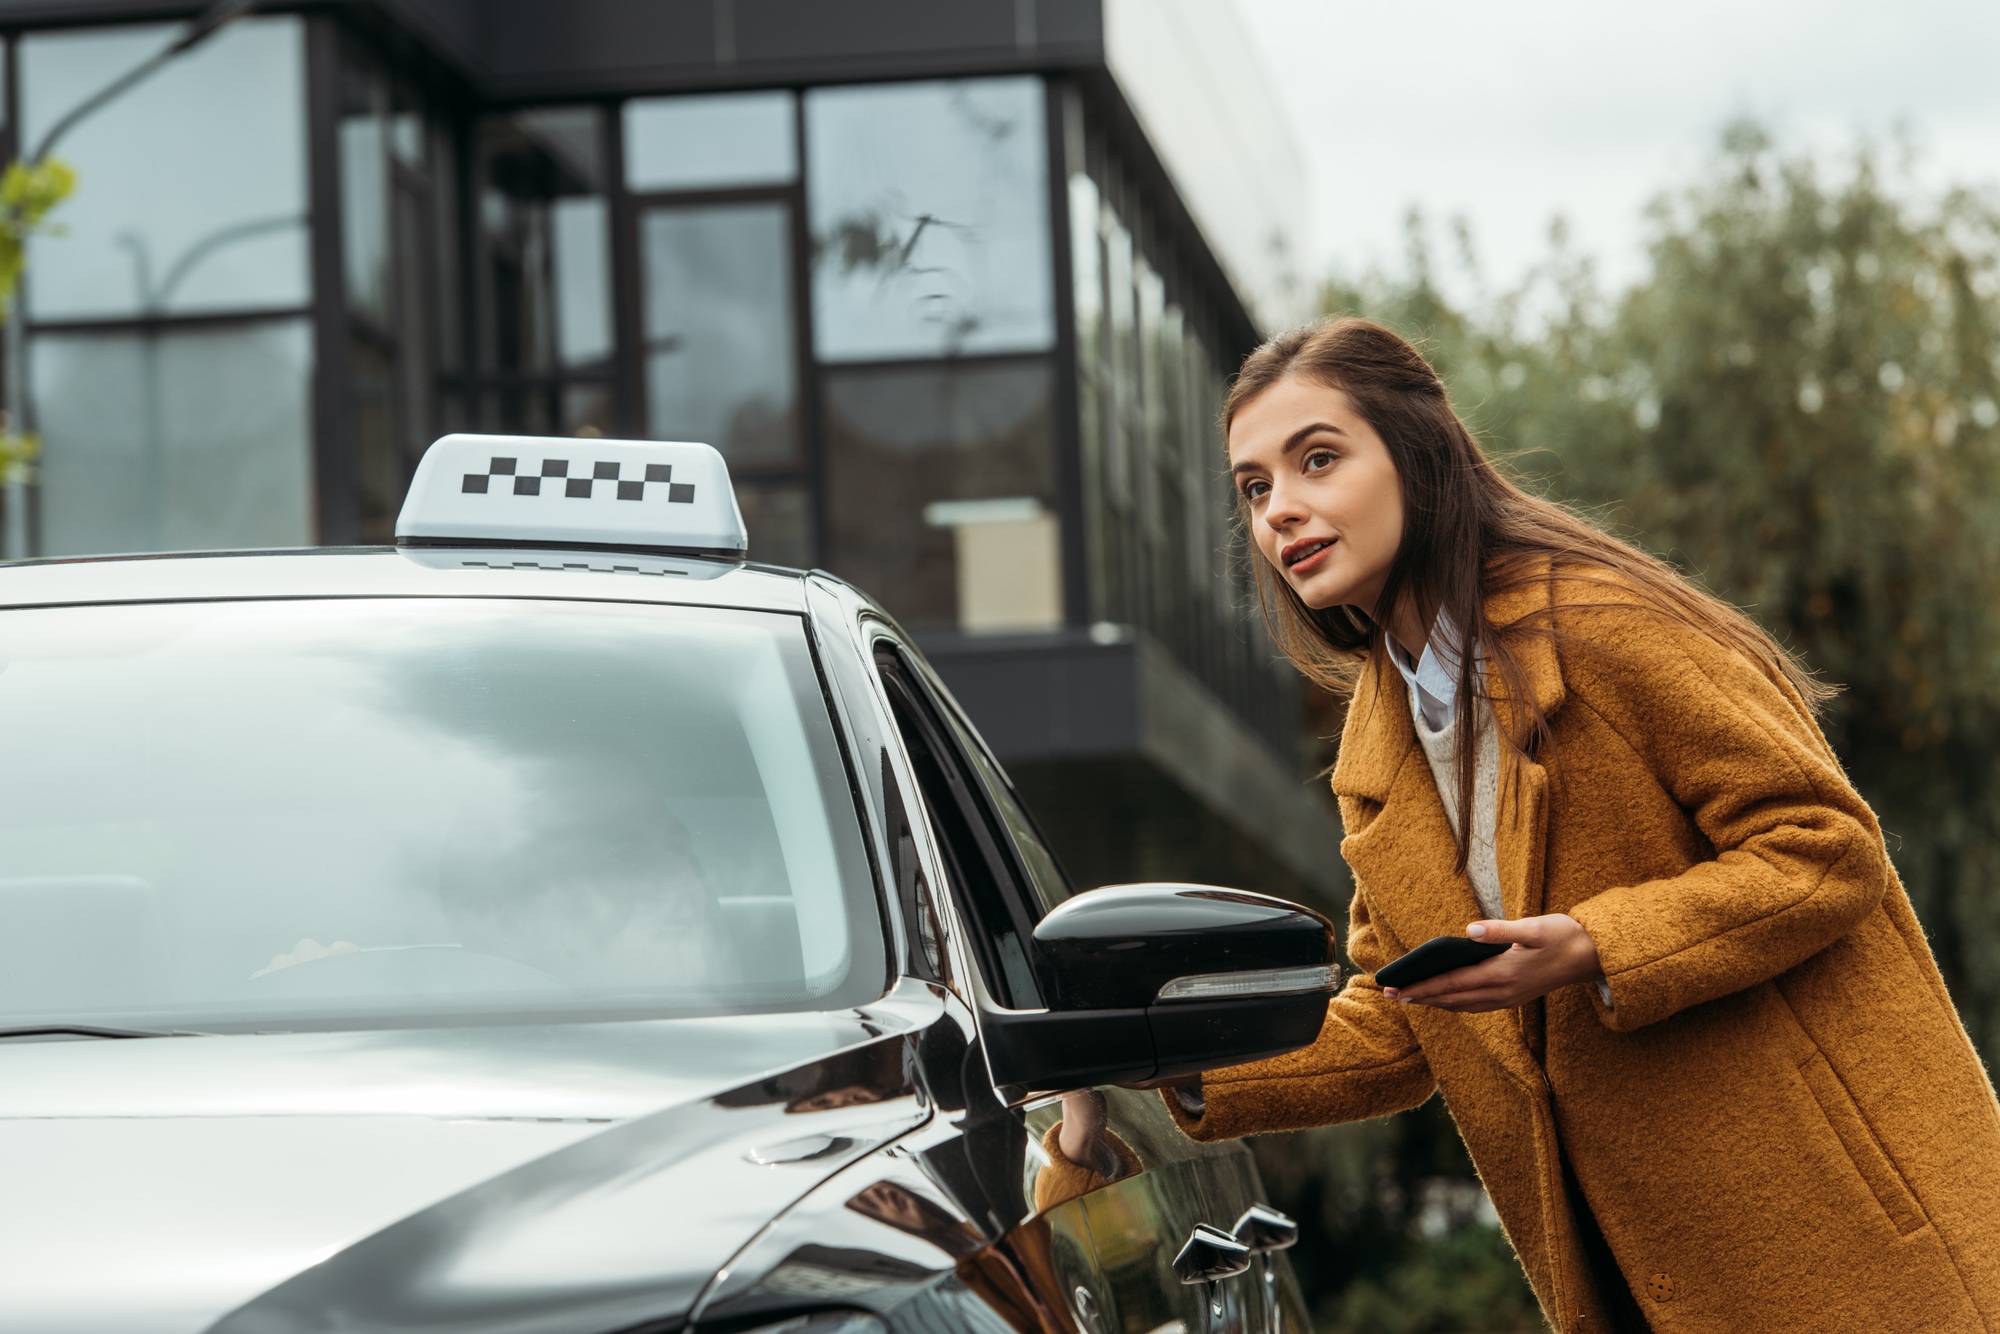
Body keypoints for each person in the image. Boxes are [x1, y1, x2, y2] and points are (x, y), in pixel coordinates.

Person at [1158, 317, 2000, 1331]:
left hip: (1848, 1255)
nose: (1280, 509)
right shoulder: (1377, 746)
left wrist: (1596, 945)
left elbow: (1824, 849)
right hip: (1640, 1282)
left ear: (1417, 458)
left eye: (1318, 459)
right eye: (1253, 487)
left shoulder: (1598, 623)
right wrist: (1174, 1064)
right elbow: (1399, 1021)